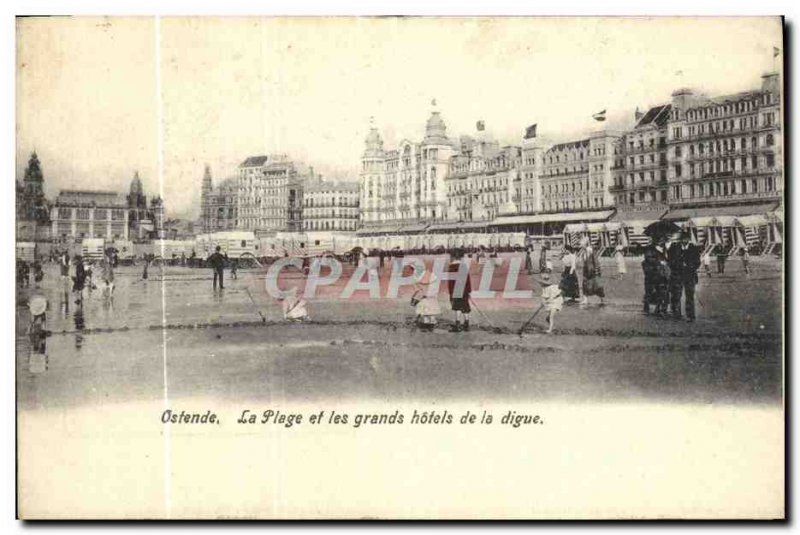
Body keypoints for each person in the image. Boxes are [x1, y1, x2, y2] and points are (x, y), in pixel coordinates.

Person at [667, 230, 701, 322]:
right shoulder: (674, 247)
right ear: (680, 240)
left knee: (690, 296)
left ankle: (690, 315)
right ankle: (676, 314)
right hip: (677, 275)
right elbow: (669, 260)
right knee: (676, 295)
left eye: (686, 239)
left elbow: (698, 262)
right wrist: (677, 265)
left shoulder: (693, 248)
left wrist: (690, 266)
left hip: (690, 276)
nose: (684, 241)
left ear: (689, 239)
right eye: (682, 239)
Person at [642, 236, 669, 316]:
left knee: (659, 292)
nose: (662, 242)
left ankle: (658, 308)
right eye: (660, 240)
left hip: (659, 274)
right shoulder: (650, 249)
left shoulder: (662, 249)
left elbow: (665, 259)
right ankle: (647, 308)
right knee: (649, 291)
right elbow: (649, 259)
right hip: (651, 274)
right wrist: (659, 262)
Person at [447, 249, 472, 332]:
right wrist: (469, 290)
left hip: (456, 289)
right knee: (465, 306)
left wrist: (450, 292)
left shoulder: (451, 267)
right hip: (464, 288)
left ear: (453, 257)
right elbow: (468, 279)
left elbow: (450, 281)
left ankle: (457, 324)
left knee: (457, 307)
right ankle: (466, 324)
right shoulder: (464, 266)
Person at [577, 237, 605, 305]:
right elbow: (583, 261)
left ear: (585, 244)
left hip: (593, 270)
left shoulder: (590, 250)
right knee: (585, 284)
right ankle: (585, 299)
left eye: (581, 244)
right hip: (586, 270)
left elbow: (595, 260)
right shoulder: (583, 251)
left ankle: (602, 299)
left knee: (597, 285)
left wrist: (597, 269)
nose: (580, 245)